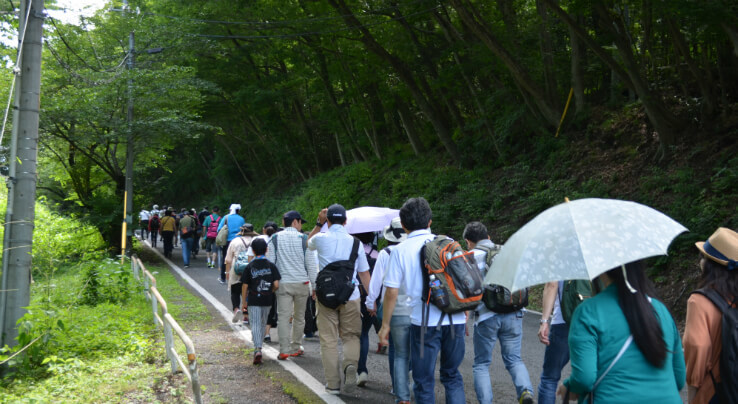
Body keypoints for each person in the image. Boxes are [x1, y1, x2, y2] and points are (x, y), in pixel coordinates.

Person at [556, 260, 685, 403]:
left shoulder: (588, 311)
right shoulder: (661, 310)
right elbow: (678, 379)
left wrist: (569, 386)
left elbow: (584, 379)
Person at [378, 197, 466, 404]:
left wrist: (385, 325)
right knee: (452, 376)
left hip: (424, 322)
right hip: (456, 319)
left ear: (404, 226)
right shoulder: (448, 244)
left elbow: (391, 292)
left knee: (424, 381)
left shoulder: (399, 251)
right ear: (429, 222)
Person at [463, 221, 534, 404]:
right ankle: (525, 391)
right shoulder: (509, 250)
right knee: (514, 359)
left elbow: (468, 289)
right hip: (515, 312)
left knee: (482, 364)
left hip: (487, 315)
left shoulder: (470, 256)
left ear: (468, 241)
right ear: (488, 236)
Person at [307, 204, 371, 395]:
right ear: (345, 221)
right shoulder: (356, 243)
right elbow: (364, 274)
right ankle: (350, 364)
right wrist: (372, 299)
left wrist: (319, 224)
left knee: (328, 340)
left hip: (325, 296)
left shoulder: (320, 238)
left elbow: (307, 244)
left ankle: (333, 385)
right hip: (350, 295)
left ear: (328, 221)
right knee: (351, 336)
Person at [683, 227, 738, 404]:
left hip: (715, 390)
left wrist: (692, 392)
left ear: (709, 264)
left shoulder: (699, 301)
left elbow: (698, 346)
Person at [366, 217, 409, 403]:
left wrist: (371, 302)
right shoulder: (416, 249)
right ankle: (411, 380)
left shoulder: (386, 253)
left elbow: (376, 281)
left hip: (391, 306)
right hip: (415, 305)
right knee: (414, 347)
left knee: (396, 350)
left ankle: (398, 386)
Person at [266, 211, 317, 360]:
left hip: (283, 284)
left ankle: (284, 350)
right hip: (302, 283)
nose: (301, 226)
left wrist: (272, 284)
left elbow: (271, 264)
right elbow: (311, 265)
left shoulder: (274, 239)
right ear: (295, 222)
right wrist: (314, 286)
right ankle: (296, 347)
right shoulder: (304, 239)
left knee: (283, 317)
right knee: (299, 317)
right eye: (301, 222)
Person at [240, 237, 281, 365]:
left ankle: (257, 349)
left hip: (253, 298)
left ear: (252, 250)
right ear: (266, 249)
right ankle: (259, 346)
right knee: (263, 323)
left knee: (255, 323)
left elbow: (245, 285)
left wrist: (244, 303)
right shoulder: (271, 266)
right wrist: (271, 291)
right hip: (267, 298)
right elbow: (276, 284)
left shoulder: (249, 266)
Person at [537, 280, 570, 404]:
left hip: (563, 321)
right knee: (590, 376)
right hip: (591, 321)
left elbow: (552, 284)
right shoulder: (597, 260)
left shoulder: (560, 259)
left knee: (550, 378)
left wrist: (544, 321)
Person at [225, 223, 260, 324]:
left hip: (236, 269)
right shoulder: (256, 241)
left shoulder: (235, 241)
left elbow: (228, 259)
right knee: (247, 293)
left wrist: (227, 271)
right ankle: (246, 316)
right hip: (251, 269)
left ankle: (236, 309)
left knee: (235, 291)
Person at [217, 204, 246, 284]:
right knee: (239, 258)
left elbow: (219, 229)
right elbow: (244, 230)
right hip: (239, 241)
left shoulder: (226, 217)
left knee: (226, 259)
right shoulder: (241, 219)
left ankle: (223, 278)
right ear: (238, 211)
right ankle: (238, 278)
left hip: (228, 241)